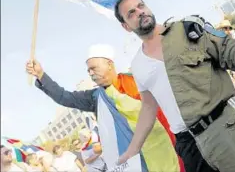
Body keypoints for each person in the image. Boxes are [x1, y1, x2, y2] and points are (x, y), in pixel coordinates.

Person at [114, 0, 235, 172]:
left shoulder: (186, 29)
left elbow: (225, 48)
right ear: (125, 26)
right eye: (131, 13)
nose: (140, 12)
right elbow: (148, 107)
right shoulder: (137, 65)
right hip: (188, 146)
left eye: (141, 6)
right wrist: (133, 149)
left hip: (222, 129)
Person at [25, 45, 183, 172]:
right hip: (129, 163)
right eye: (88, 71)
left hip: (165, 151)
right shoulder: (95, 98)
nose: (91, 73)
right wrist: (40, 75)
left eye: (94, 68)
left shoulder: (137, 81)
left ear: (110, 64)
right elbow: (64, 97)